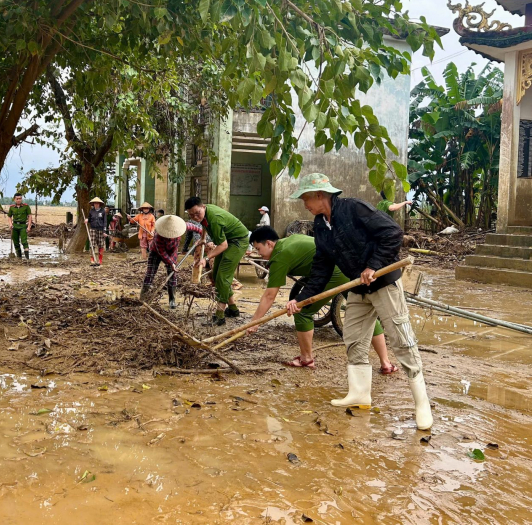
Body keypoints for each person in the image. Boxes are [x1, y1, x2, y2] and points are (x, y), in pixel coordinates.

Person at [286, 173, 432, 430]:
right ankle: (360, 393)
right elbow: (321, 267)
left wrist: (373, 265)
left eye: (306, 198)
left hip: (383, 282)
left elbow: (393, 233)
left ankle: (422, 403)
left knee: (401, 339)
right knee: (353, 338)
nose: (304, 204)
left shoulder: (354, 208)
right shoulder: (320, 225)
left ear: (321, 195)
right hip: (357, 288)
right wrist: (301, 299)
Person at [247, 227, 396, 372]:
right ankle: (386, 363)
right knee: (365, 313)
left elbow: (269, 295)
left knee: (301, 310)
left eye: (258, 249)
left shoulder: (280, 256)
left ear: (269, 243)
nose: (258, 253)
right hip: (345, 268)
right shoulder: (287, 242)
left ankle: (306, 359)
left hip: (332, 273)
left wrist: (255, 322)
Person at [185, 196, 248, 326]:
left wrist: (206, 258)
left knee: (223, 277)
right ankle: (233, 309)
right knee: (216, 274)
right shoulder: (204, 213)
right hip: (227, 241)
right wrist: (203, 238)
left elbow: (223, 246)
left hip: (237, 241)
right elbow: (203, 223)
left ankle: (220, 316)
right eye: (192, 215)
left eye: (197, 213)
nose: (196, 217)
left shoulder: (215, 219)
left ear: (203, 207)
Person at [141, 215, 203, 308]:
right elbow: (162, 252)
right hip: (156, 252)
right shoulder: (158, 237)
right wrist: (171, 263)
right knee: (150, 273)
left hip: (172, 252)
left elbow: (197, 229)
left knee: (173, 274)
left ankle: (172, 299)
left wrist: (202, 237)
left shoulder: (182, 226)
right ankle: (143, 299)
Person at [7, 192, 32, 259]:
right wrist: (10, 224)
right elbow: (9, 216)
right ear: (14, 199)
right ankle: (19, 258)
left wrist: (29, 226)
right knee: (16, 242)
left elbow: (29, 216)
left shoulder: (26, 206)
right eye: (17, 199)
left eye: (20, 199)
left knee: (24, 241)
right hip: (15, 226)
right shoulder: (12, 207)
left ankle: (27, 258)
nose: (19, 200)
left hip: (23, 226)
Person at [84, 197, 107, 265]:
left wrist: (104, 231)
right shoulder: (91, 211)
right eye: (95, 203)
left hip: (100, 229)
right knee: (92, 244)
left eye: (97, 203)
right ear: (93, 204)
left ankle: (100, 260)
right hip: (93, 229)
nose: (96, 205)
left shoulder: (103, 211)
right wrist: (87, 220)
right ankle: (92, 259)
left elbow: (105, 221)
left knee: (101, 245)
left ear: (99, 204)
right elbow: (89, 218)